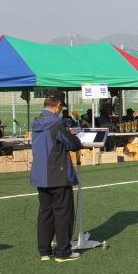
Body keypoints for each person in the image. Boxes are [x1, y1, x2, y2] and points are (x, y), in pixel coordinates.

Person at [30, 90, 82, 262]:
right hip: (57, 174)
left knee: (45, 212)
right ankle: (63, 251)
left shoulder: (37, 122)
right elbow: (74, 144)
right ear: (58, 104)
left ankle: (44, 250)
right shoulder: (56, 124)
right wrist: (72, 134)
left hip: (40, 173)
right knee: (62, 213)